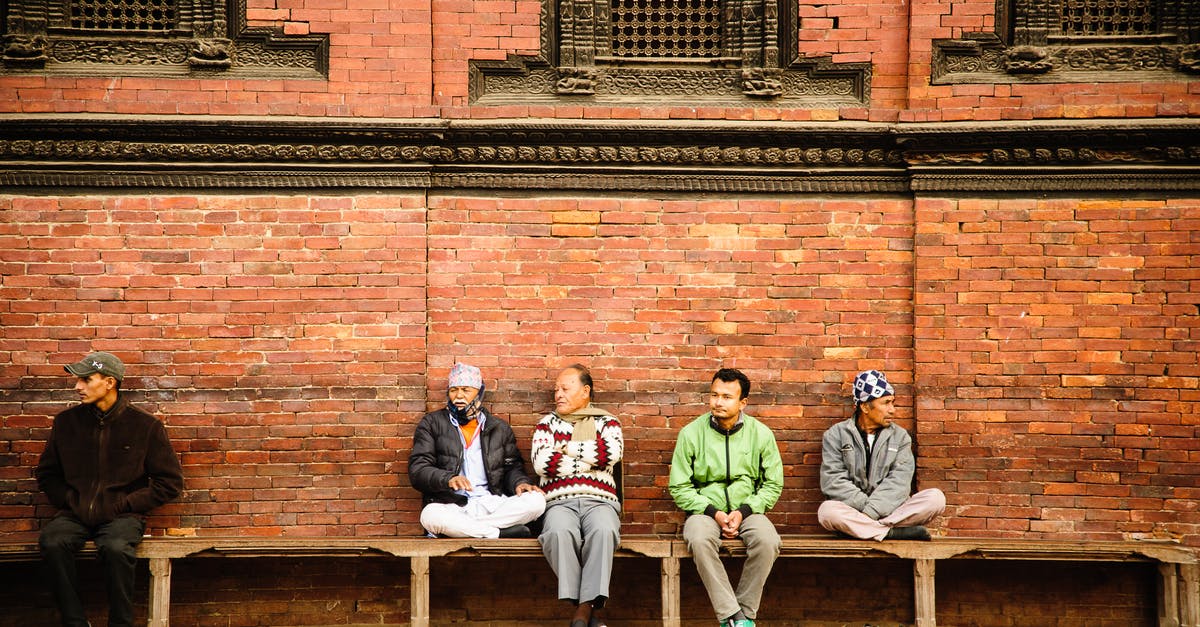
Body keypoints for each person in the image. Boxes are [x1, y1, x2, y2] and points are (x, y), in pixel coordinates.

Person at [36, 351, 184, 627]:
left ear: (109, 382)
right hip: (75, 512)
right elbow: (47, 473)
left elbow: (170, 482)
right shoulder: (66, 423)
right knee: (52, 541)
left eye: (85, 379)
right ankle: (75, 621)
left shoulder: (145, 426)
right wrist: (69, 499)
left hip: (121, 516)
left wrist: (124, 505)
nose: (77, 386)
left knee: (116, 548)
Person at [668, 368, 783, 627]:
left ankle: (744, 614)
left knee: (768, 541)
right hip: (704, 511)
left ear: (743, 402)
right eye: (714, 395)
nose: (718, 402)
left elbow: (773, 484)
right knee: (697, 539)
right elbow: (679, 487)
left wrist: (743, 511)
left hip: (749, 510)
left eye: (727, 397)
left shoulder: (761, 434)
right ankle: (733, 616)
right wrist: (714, 513)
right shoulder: (691, 433)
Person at [408, 363, 546, 538]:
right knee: (430, 515)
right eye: (453, 390)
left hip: (491, 504)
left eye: (466, 390)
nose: (458, 396)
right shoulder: (432, 424)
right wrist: (448, 478)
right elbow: (418, 470)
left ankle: (463, 530)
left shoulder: (499, 428)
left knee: (537, 501)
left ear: (479, 393)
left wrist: (520, 483)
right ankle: (497, 533)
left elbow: (512, 468)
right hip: (453, 505)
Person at [532, 364, 623, 627]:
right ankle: (586, 612)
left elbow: (611, 454)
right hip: (559, 502)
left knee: (604, 532)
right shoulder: (546, 425)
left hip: (601, 502)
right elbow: (542, 463)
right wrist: (590, 460)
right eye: (556, 390)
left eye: (565, 388)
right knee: (558, 534)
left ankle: (582, 613)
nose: (558, 394)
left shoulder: (607, 422)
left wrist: (564, 448)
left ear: (585, 391)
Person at [818, 369, 946, 541]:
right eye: (885, 403)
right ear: (864, 406)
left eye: (893, 403)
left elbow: (899, 482)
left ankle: (864, 530)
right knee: (827, 512)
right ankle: (891, 533)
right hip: (855, 509)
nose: (892, 410)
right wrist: (866, 507)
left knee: (935, 499)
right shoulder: (835, 435)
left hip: (891, 509)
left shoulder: (900, 437)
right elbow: (833, 481)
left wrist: (872, 512)